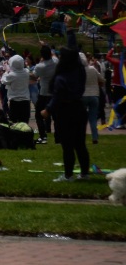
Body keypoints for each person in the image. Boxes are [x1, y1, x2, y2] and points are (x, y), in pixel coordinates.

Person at [41, 45, 91, 181]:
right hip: (79, 109)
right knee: (80, 144)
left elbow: (57, 96)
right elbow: (74, 53)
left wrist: (47, 110)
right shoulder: (79, 71)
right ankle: (84, 173)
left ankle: (68, 175)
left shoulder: (61, 78)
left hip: (65, 112)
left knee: (67, 145)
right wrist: (69, 31)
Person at [33, 46, 57, 143]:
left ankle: (43, 136)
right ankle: (58, 137)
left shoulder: (40, 66)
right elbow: (54, 55)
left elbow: (34, 76)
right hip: (54, 93)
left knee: (39, 115)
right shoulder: (56, 62)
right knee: (56, 116)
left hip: (43, 93)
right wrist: (45, 45)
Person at [2, 54, 31, 124]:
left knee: (14, 122)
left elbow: (4, 81)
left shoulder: (12, 75)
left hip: (14, 101)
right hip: (25, 101)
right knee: (24, 123)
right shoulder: (26, 72)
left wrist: (6, 71)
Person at [81, 54, 104, 145]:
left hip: (83, 95)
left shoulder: (79, 71)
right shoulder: (92, 69)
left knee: (82, 119)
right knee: (93, 119)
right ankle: (95, 137)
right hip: (94, 95)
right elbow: (102, 79)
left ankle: (82, 136)